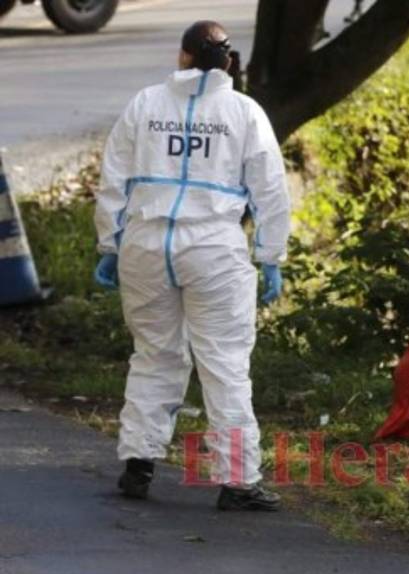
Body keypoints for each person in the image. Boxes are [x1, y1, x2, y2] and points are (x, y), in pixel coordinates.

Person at [93, 20, 291, 511]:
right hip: (214, 248)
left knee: (154, 354)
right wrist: (270, 255)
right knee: (224, 363)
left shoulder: (146, 104)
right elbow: (270, 189)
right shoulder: (244, 113)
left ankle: (138, 463)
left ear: (182, 56)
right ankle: (238, 482)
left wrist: (110, 244)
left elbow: (114, 177)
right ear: (228, 62)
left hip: (146, 243)